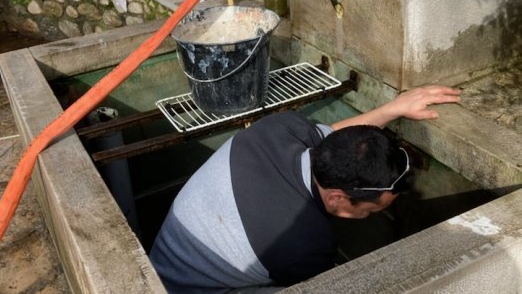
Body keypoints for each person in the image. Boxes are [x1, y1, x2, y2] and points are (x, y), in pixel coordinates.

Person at [150, 85, 461, 293]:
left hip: (162, 261)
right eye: (371, 210)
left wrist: (395, 107)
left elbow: (336, 137)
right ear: (338, 197)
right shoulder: (303, 245)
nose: (372, 217)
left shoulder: (281, 128)